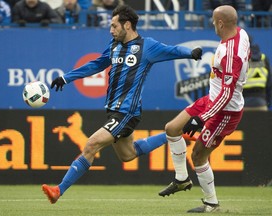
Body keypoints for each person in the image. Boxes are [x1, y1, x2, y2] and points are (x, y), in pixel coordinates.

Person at [42, 4, 202, 204]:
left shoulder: (147, 46)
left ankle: (59, 190)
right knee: (128, 155)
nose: (111, 30)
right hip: (113, 111)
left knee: (91, 144)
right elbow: (96, 64)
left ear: (127, 25)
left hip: (127, 112)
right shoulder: (114, 46)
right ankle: (176, 133)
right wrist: (66, 78)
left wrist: (191, 53)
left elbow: (172, 50)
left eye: (114, 26)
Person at [158, 5, 250, 213]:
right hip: (212, 99)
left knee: (198, 155)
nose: (212, 24)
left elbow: (227, 94)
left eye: (213, 21)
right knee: (172, 128)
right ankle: (181, 179)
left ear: (220, 23)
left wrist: (202, 118)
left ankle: (211, 203)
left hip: (225, 111)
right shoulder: (241, 34)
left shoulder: (230, 54)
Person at [243, 39, 272, 111]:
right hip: (261, 102)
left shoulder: (244, 59)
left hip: (245, 103)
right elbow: (269, 83)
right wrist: (268, 102)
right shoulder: (264, 60)